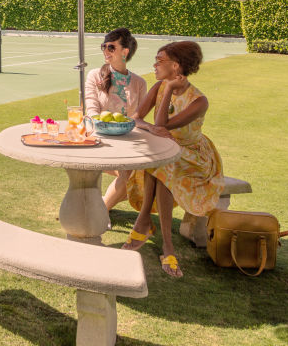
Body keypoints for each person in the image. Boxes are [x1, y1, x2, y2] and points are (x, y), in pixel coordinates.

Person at [122, 41, 224, 279]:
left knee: (160, 166)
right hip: (165, 154)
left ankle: (148, 227)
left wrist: (167, 91)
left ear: (176, 66)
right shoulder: (158, 85)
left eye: (160, 60)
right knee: (160, 164)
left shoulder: (199, 101)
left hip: (193, 157)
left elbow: (161, 125)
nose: (155, 65)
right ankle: (159, 238)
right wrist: (149, 125)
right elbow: (136, 119)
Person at [84, 27, 147, 210]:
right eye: (104, 46)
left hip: (127, 143)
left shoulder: (139, 83)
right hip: (98, 140)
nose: (105, 51)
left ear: (124, 52)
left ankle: (100, 208)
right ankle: (102, 212)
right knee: (131, 176)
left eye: (111, 47)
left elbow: (139, 118)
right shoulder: (95, 75)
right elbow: (92, 110)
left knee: (139, 176)